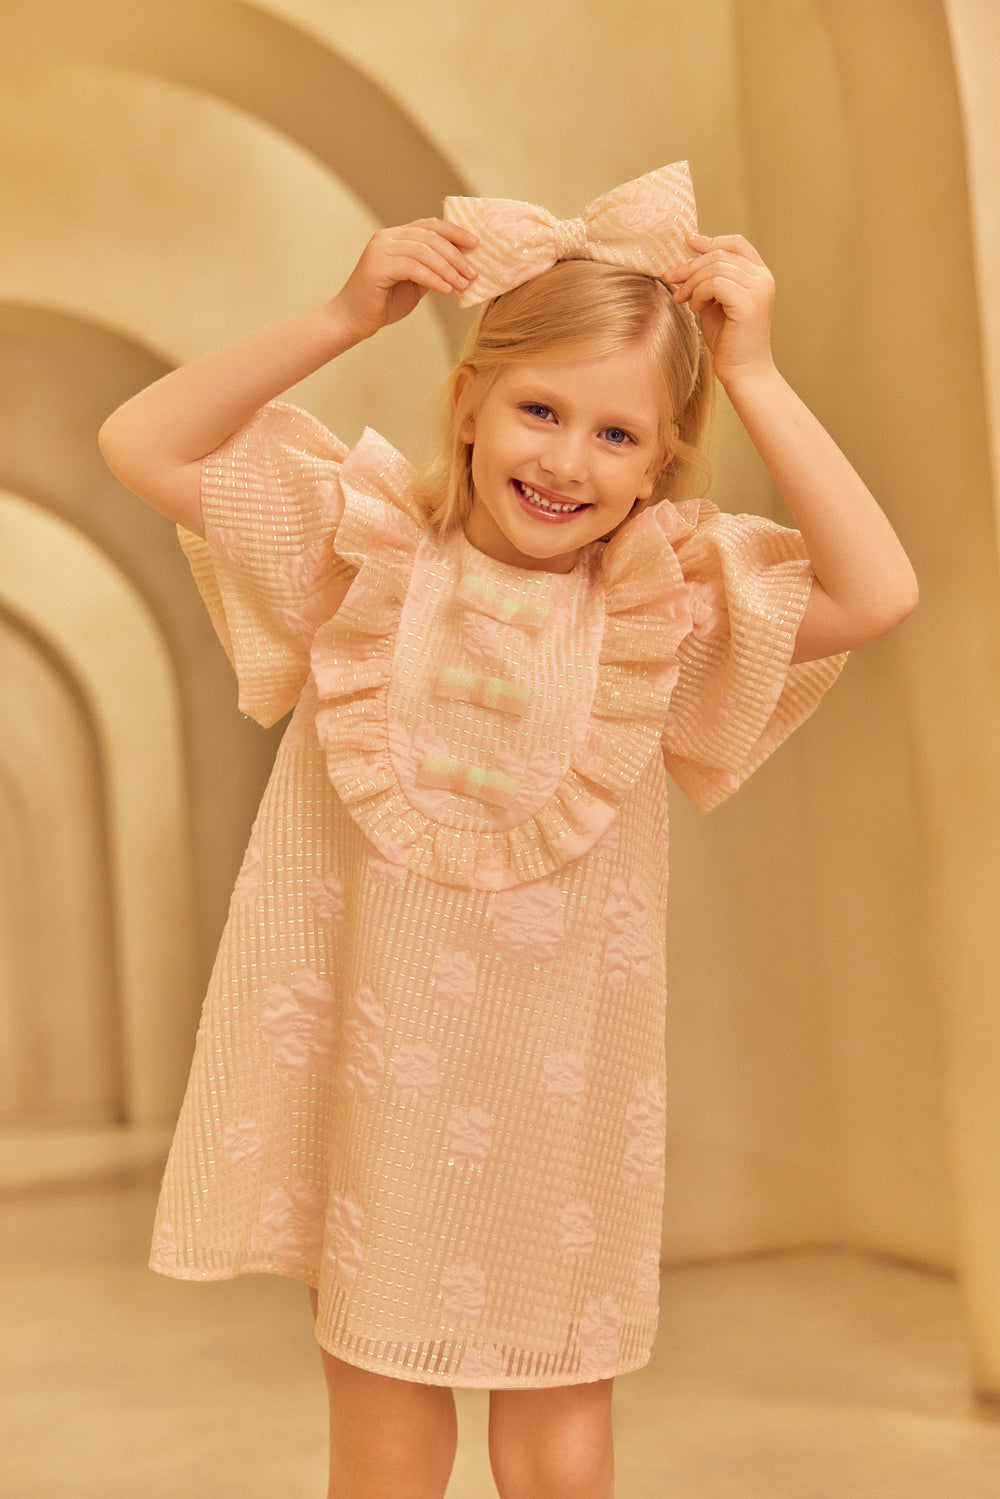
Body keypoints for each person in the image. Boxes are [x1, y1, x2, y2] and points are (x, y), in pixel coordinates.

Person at [99, 163, 917, 1499]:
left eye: (617, 435)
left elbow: (877, 590)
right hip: (374, 1100)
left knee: (557, 1432)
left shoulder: (668, 606)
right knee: (384, 1432)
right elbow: (149, 444)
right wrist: (342, 314)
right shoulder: (354, 555)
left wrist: (754, 372)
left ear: (662, 463)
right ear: (471, 404)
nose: (565, 460)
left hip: (558, 1104)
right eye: (539, 410)